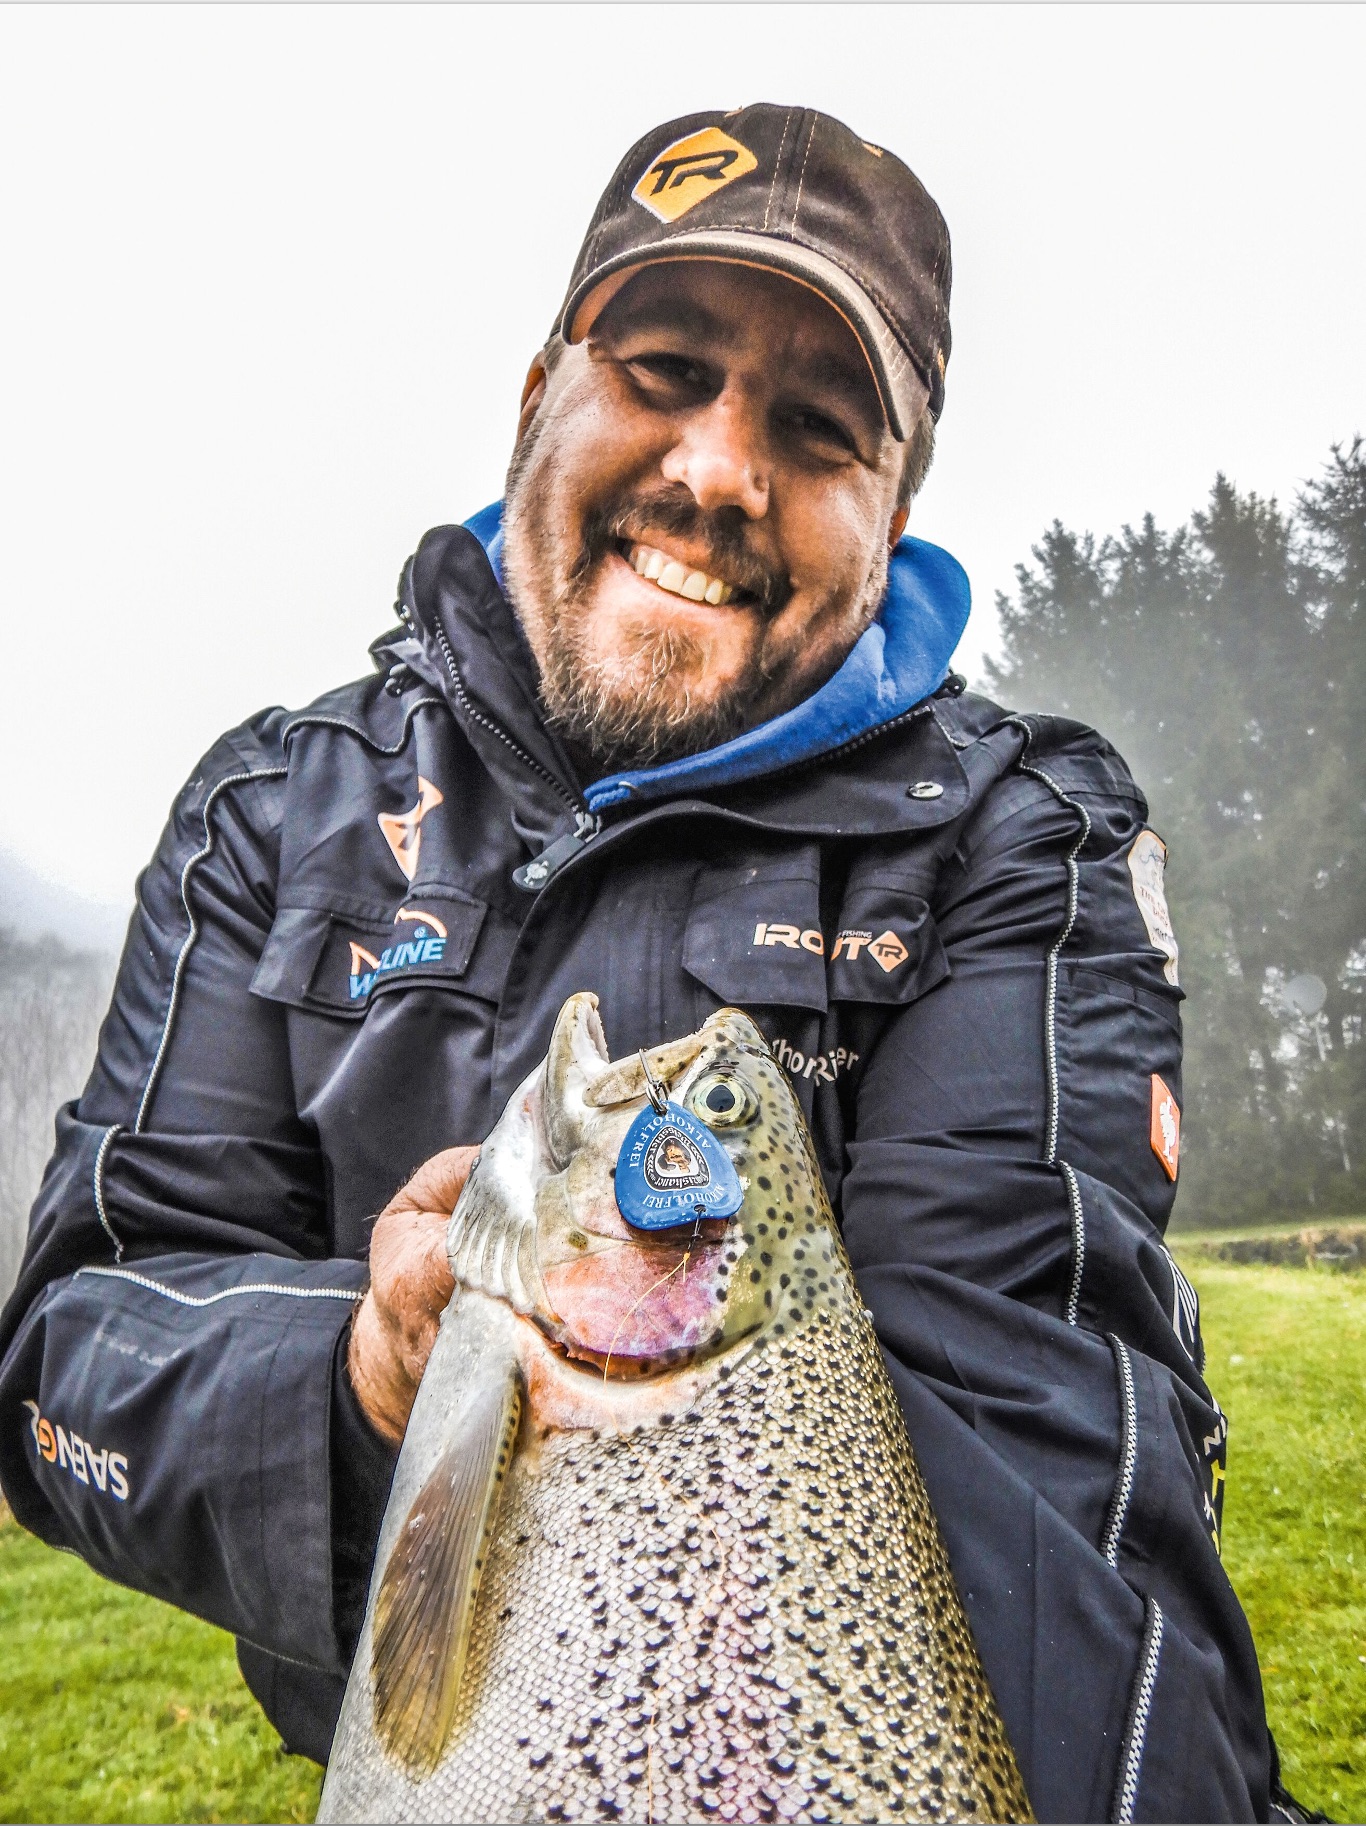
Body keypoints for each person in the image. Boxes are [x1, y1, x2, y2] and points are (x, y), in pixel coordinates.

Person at [0, 105, 1276, 1822]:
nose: (719, 469)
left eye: (820, 428)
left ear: (891, 511)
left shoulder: (1013, 837)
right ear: (539, 399)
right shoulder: (277, 807)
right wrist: (367, 1374)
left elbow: (1046, 1478)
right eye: (666, 366)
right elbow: (77, 1344)